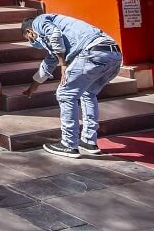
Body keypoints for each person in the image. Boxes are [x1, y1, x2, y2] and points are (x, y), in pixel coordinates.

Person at [20, 13, 122, 158]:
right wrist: (33, 86)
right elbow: (49, 62)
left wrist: (63, 65)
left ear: (29, 32)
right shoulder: (56, 33)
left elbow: (54, 35)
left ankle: (68, 144)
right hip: (113, 54)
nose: (33, 42)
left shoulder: (39, 21)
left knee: (65, 94)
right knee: (88, 93)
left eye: (29, 38)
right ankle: (88, 141)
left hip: (92, 52)